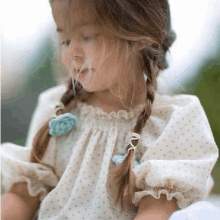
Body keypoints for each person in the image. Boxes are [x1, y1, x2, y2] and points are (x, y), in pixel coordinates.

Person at [1, 0, 219, 219]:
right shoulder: (56, 109)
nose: (72, 54)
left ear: (140, 36)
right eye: (65, 39)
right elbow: (23, 195)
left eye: (87, 36)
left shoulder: (172, 121)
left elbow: (156, 210)